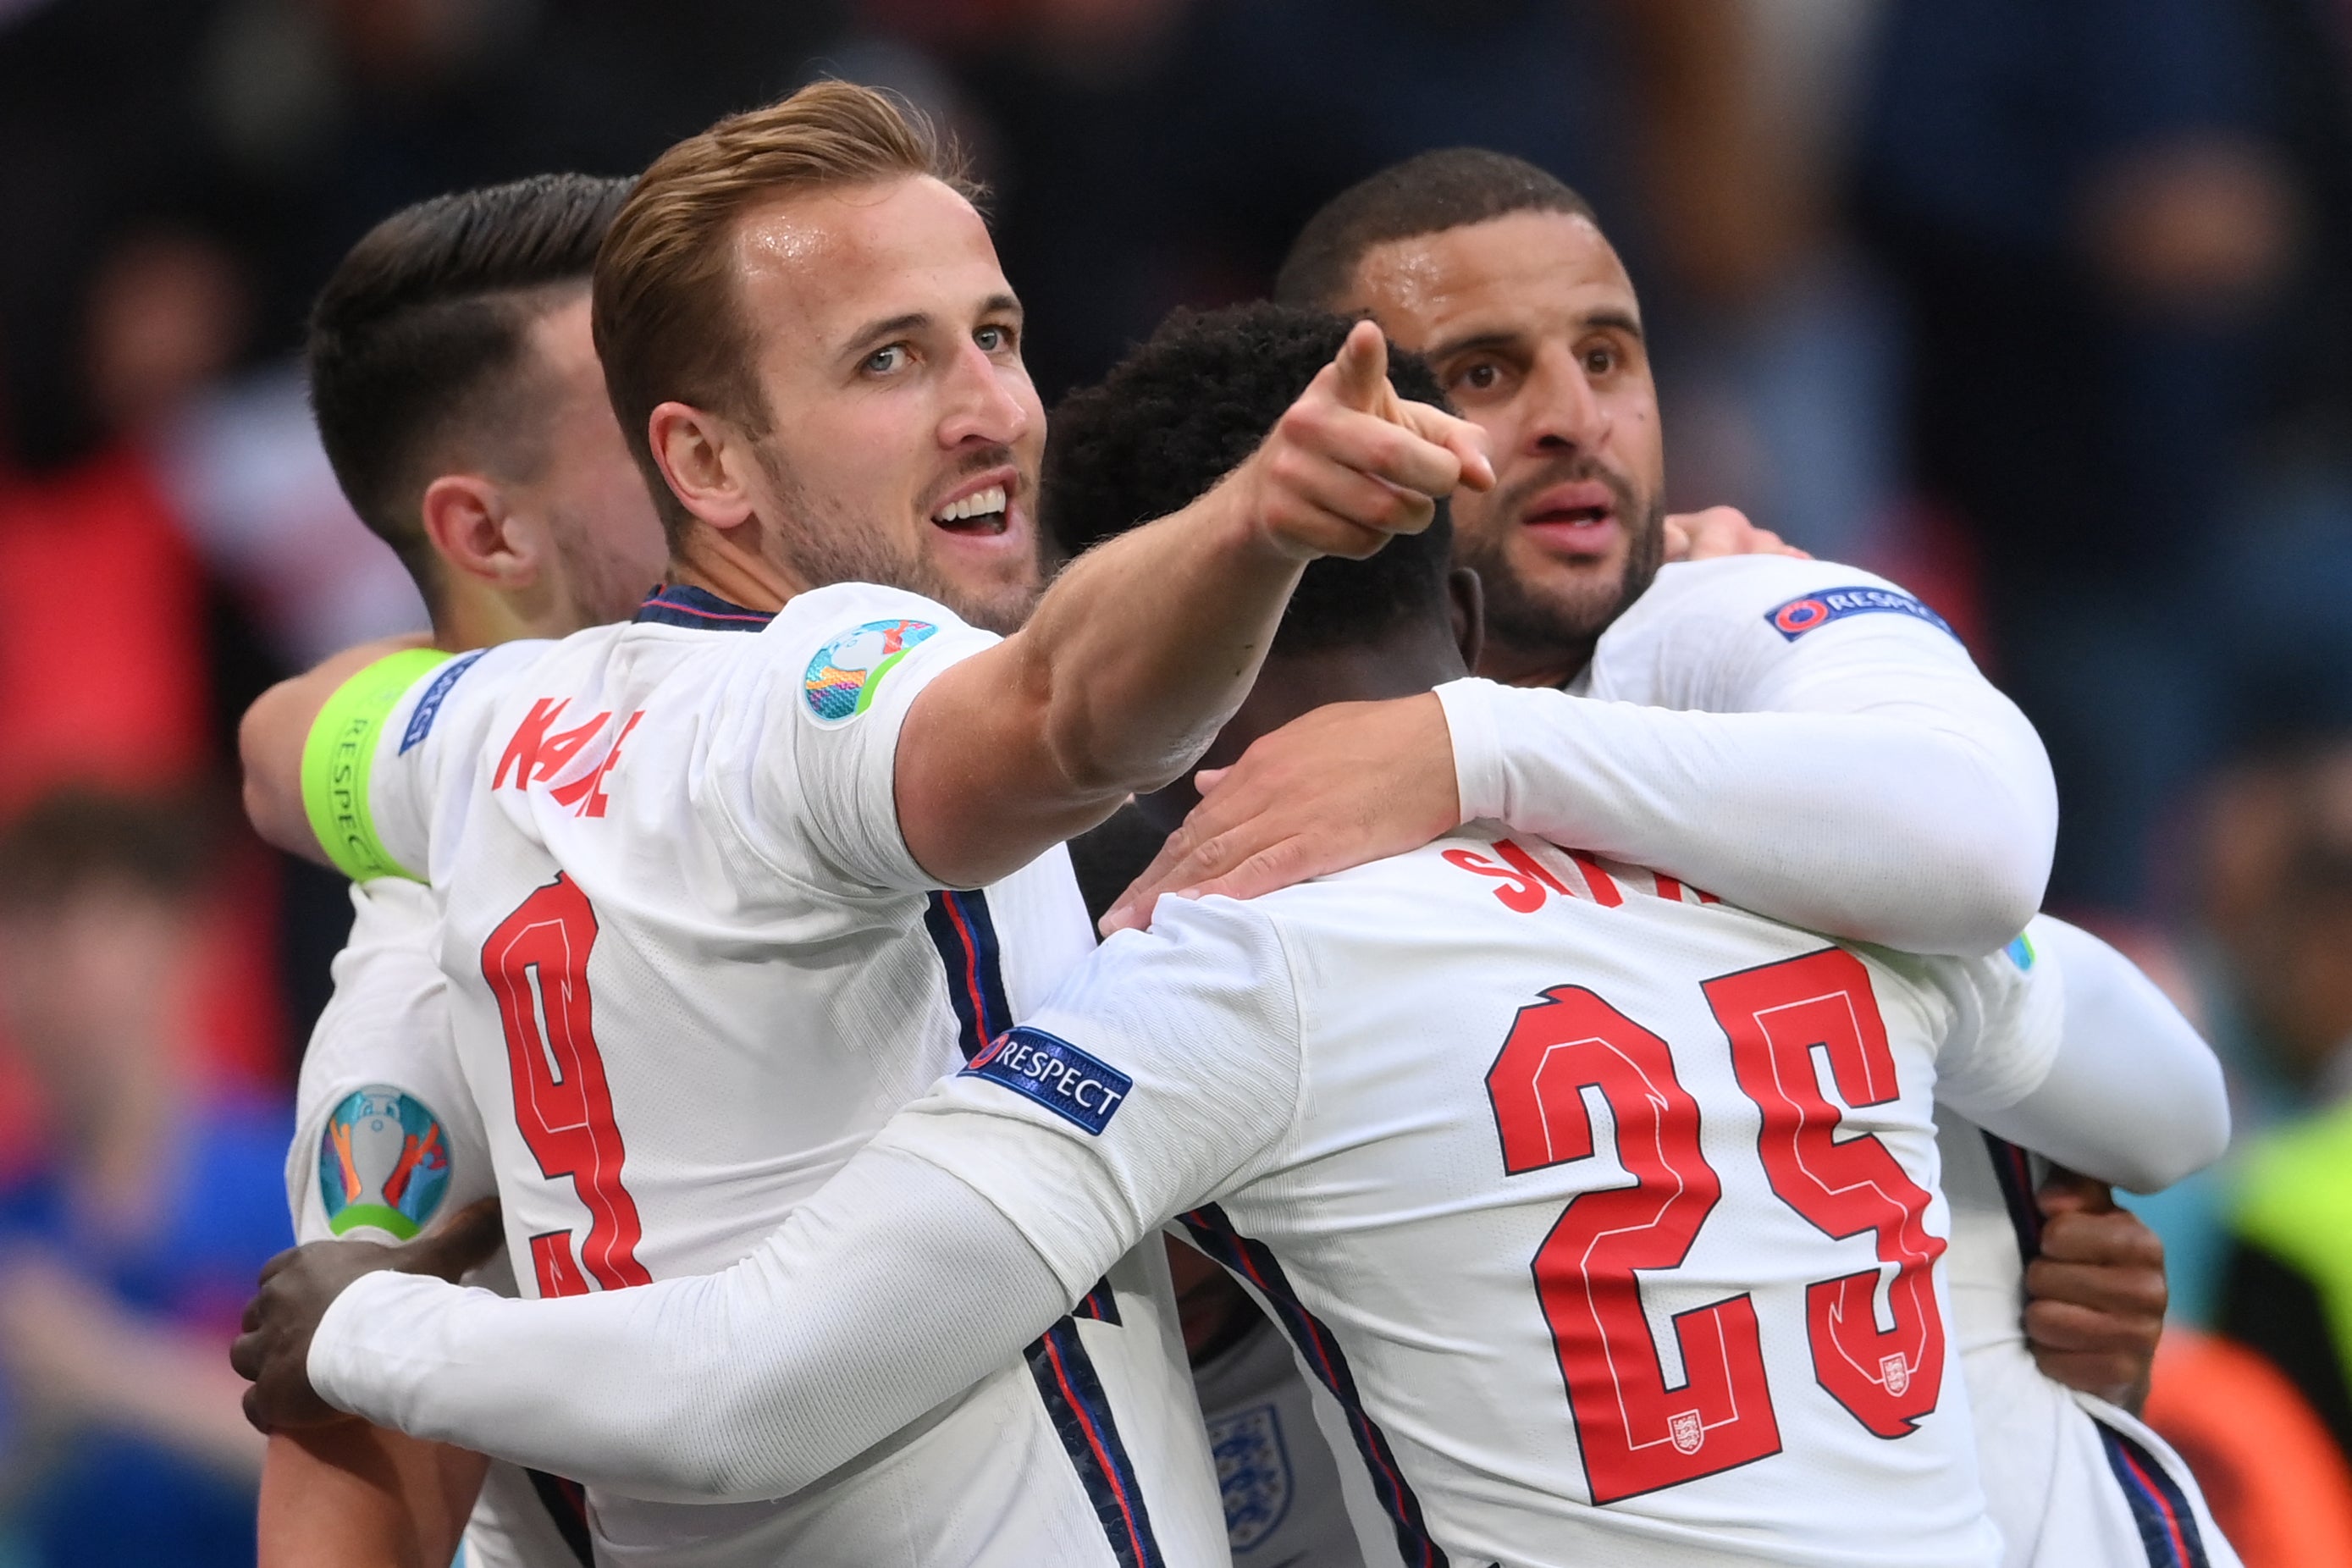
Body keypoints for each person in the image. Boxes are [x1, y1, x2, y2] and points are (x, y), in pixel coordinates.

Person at [229, 305, 2233, 1568]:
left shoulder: (1218, 970)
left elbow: (750, 1387)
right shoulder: (1781, 857)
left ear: (1161, 672)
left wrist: (361, 1321)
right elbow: (2165, 1093)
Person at [234, 85, 1488, 1567]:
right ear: (703, 463)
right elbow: (1059, 720)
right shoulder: (821, 685)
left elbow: (277, 748)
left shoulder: (483, 734)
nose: (992, 410)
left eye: (997, 335)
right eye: (890, 360)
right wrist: (1256, 520)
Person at [1096, 152, 2206, 1568]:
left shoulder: (1729, 616)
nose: (1573, 419)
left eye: (1608, 356)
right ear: (1349, 447)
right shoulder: (1225, 818)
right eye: (1484, 376)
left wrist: (1465, 748)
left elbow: (1989, 865)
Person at [262, 173, 670, 1568]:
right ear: (486, 534)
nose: (724, 440)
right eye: (653, 419)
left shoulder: (832, 742)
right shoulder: (432, 995)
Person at [0, 789, 287, 1568]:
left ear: (186, 943)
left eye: (72, 928)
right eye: (15, 935)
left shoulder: (301, 1185)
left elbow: (369, 1444)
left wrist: (104, 1368)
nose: (35, 979)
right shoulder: (15, 1234)